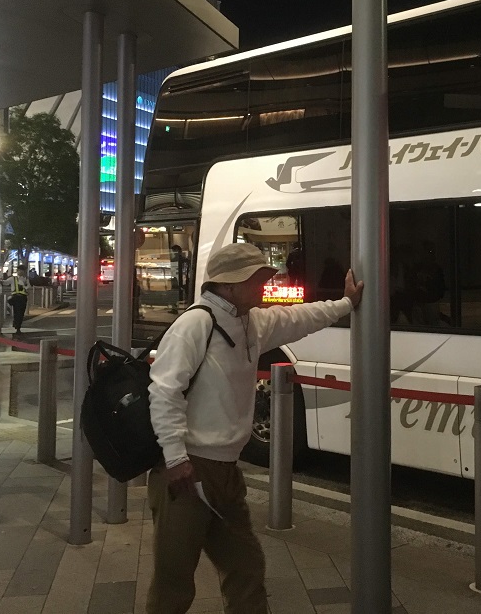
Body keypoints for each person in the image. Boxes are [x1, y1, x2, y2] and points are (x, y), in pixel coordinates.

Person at [146, 242, 364, 614]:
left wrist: (344, 304)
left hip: (226, 472)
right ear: (228, 285)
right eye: (257, 279)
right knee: (175, 581)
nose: (266, 284)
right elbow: (164, 392)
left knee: (246, 567)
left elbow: (299, 319)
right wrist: (176, 457)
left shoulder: (251, 322)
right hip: (186, 472)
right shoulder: (195, 324)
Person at [8, 267, 30, 334]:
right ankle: (17, 326)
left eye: (23, 271)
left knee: (21, 312)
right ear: (17, 271)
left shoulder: (25, 279)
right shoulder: (13, 279)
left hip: (23, 298)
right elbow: (5, 282)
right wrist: (0, 282)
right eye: (20, 271)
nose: (21, 272)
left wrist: (24, 286)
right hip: (16, 297)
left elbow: (29, 287)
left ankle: (17, 325)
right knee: (17, 312)